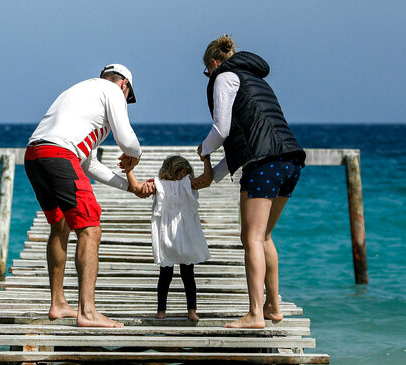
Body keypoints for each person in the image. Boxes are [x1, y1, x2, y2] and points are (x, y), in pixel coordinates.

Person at [192, 35, 307, 329]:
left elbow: (220, 130)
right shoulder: (255, 81)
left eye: (207, 71)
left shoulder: (224, 77)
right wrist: (212, 177)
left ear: (213, 63)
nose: (209, 76)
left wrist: (203, 149)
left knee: (252, 238)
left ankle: (255, 314)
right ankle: (272, 306)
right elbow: (244, 143)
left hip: (266, 163)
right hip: (290, 160)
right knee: (265, 236)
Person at [24, 63, 148, 328]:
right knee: (90, 229)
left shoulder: (78, 92)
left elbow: (87, 163)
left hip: (35, 155)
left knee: (60, 226)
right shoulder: (112, 91)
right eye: (128, 96)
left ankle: (58, 303)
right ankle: (87, 312)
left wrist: (130, 187)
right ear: (124, 85)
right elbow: (127, 140)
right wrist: (135, 156)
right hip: (59, 155)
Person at [124, 155, 212, 321]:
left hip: (165, 235)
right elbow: (207, 180)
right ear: (184, 171)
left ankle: (161, 311)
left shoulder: (157, 185)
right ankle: (192, 311)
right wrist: (206, 159)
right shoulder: (189, 184)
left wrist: (129, 171)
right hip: (186, 235)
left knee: (165, 275)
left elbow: (136, 188)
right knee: (188, 275)